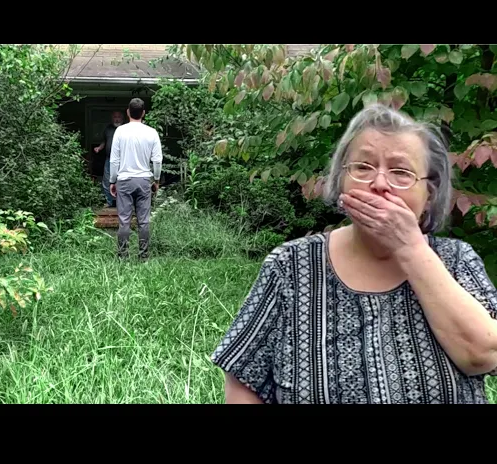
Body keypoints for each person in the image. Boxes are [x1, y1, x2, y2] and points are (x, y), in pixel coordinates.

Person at [211, 104, 497, 404]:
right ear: (341, 181)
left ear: (429, 195)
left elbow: (484, 355)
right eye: (362, 167)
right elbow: (244, 379)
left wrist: (410, 248)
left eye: (401, 172)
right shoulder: (290, 265)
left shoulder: (456, 260)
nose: (379, 184)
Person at [109, 98, 162, 260]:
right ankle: (143, 256)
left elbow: (114, 160)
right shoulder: (152, 132)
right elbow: (157, 160)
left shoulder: (120, 131)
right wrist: (156, 180)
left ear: (128, 112)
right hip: (144, 180)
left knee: (124, 220)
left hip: (124, 180)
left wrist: (112, 181)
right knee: (144, 221)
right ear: (143, 113)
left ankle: (123, 256)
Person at [94, 110, 125, 207]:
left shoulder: (126, 129)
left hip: (123, 160)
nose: (117, 119)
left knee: (122, 181)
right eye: (115, 117)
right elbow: (105, 141)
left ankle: (122, 203)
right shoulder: (108, 129)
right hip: (109, 159)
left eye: (119, 117)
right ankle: (109, 202)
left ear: (122, 118)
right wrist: (99, 148)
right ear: (112, 118)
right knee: (107, 180)